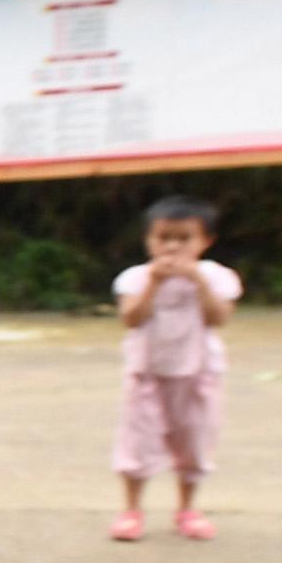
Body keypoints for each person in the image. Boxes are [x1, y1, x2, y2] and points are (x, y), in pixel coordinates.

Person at [110, 193, 240, 540]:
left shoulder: (216, 277)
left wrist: (197, 282)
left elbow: (219, 318)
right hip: (147, 374)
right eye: (163, 238)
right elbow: (131, 318)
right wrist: (154, 283)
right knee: (137, 442)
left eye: (184, 239)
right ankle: (131, 510)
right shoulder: (136, 278)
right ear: (149, 240)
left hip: (198, 374)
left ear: (205, 241)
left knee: (195, 441)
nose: (172, 248)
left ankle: (187, 509)